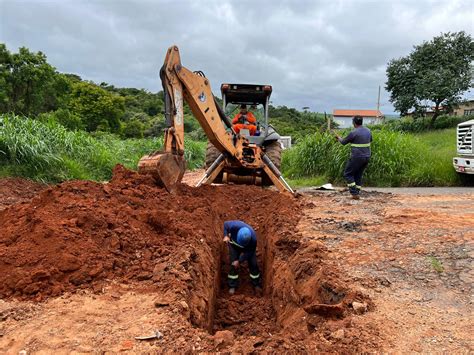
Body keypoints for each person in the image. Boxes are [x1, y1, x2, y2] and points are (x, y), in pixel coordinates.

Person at [334, 115, 372, 199]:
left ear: (354, 123)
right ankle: (357, 192)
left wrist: (338, 138)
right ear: (361, 122)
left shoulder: (353, 133)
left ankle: (354, 193)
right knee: (358, 175)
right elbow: (370, 140)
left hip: (357, 157)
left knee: (348, 174)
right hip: (367, 157)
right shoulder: (368, 131)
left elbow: (343, 142)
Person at [223, 220, 262, 295]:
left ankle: (256, 283)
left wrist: (240, 261)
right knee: (233, 264)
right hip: (234, 245)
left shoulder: (253, 240)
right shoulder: (234, 226)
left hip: (247, 249)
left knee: (253, 264)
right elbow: (225, 224)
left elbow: (250, 253)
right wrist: (225, 235)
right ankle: (232, 285)